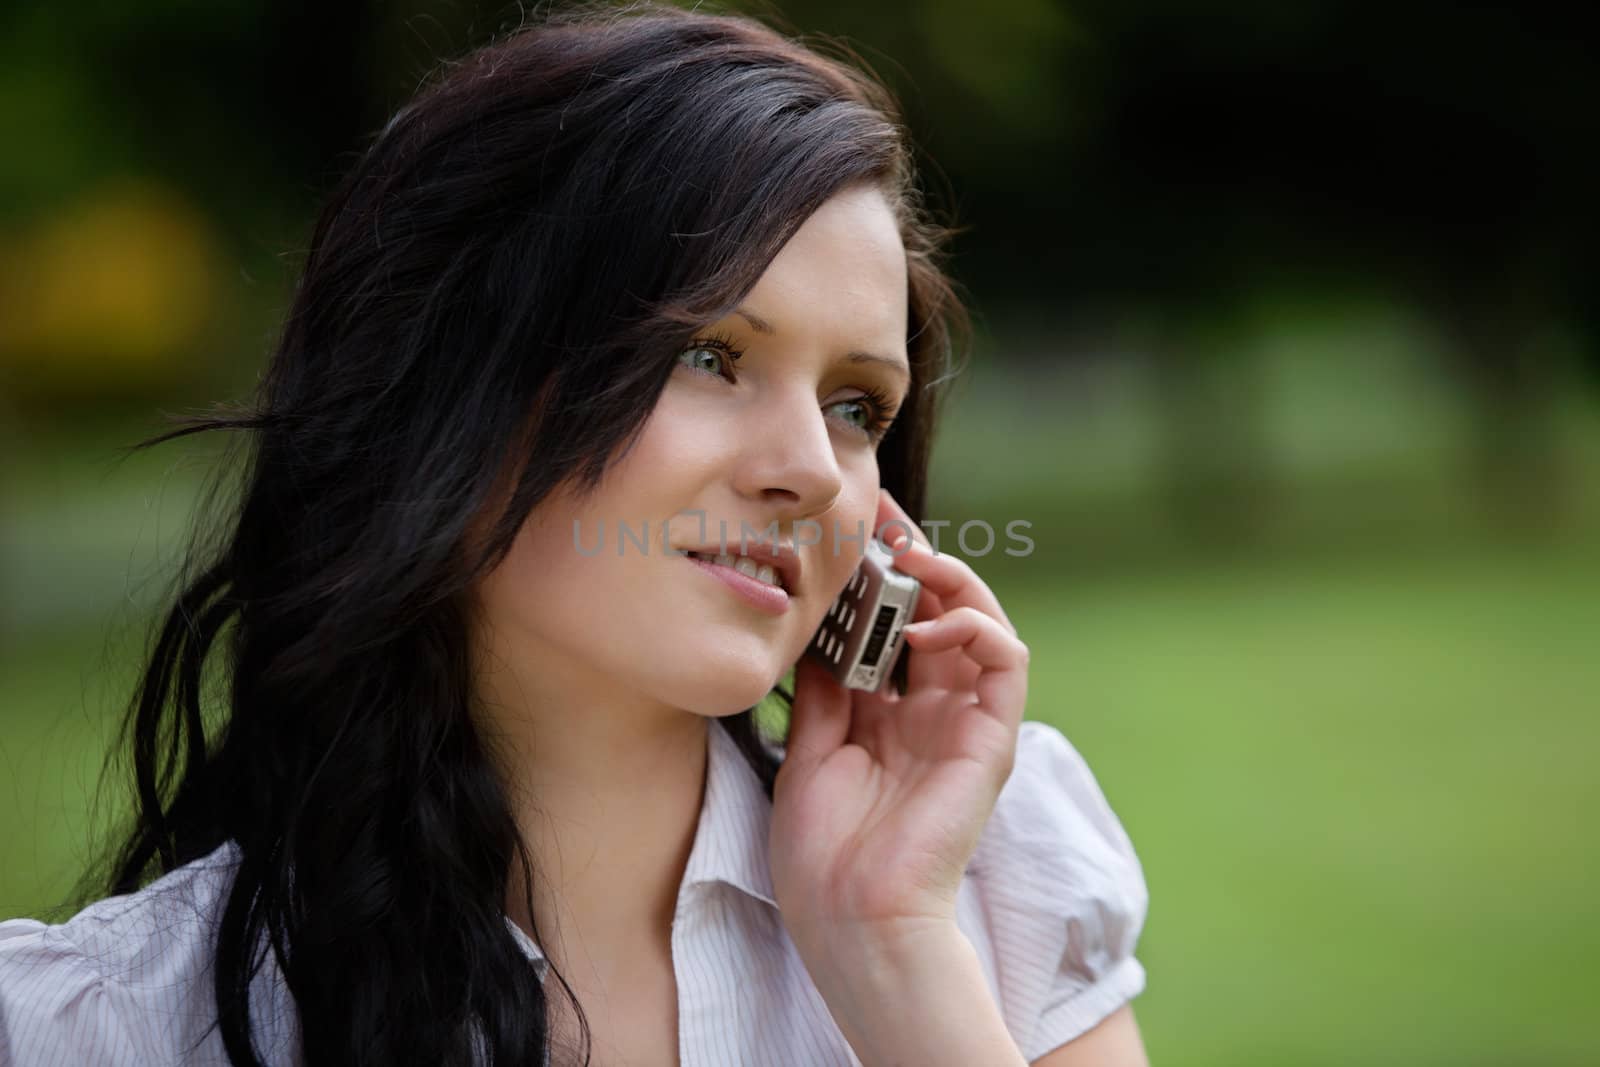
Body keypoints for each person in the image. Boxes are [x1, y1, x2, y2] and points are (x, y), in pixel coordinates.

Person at [0, 3, 1151, 1064]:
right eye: (709, 354)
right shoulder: (105, 1025)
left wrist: (893, 948)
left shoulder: (989, 884)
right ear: (455, 382)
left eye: (856, 408)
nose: (808, 468)